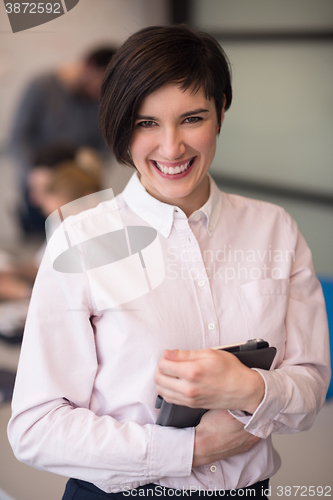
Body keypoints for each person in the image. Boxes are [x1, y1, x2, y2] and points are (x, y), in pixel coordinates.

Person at [7, 25, 330, 499]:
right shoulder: (81, 239)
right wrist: (189, 450)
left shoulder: (274, 229)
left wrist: (248, 389)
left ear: (221, 109)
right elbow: (35, 429)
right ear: (121, 126)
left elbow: (310, 389)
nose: (172, 147)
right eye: (146, 123)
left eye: (192, 118)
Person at [9, 46, 116, 233]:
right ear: (87, 67)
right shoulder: (42, 86)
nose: (99, 92)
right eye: (99, 83)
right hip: (40, 186)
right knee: (42, 248)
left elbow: (106, 148)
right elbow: (18, 138)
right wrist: (39, 180)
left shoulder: (102, 101)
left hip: (75, 192)